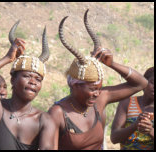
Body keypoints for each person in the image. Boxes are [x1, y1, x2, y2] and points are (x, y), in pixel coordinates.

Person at [48, 9, 148, 150]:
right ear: (75, 84)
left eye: (99, 88)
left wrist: (111, 64)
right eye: (92, 89)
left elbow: (141, 84)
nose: (97, 93)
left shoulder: (99, 100)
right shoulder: (58, 113)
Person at [0, 20, 55, 150]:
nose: (33, 82)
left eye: (38, 79)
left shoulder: (44, 119)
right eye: (26, 76)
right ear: (12, 79)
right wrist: (7, 58)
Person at [110, 67, 154, 150]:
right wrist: (134, 125)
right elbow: (114, 138)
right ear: (144, 82)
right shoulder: (127, 103)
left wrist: (150, 130)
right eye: (153, 82)